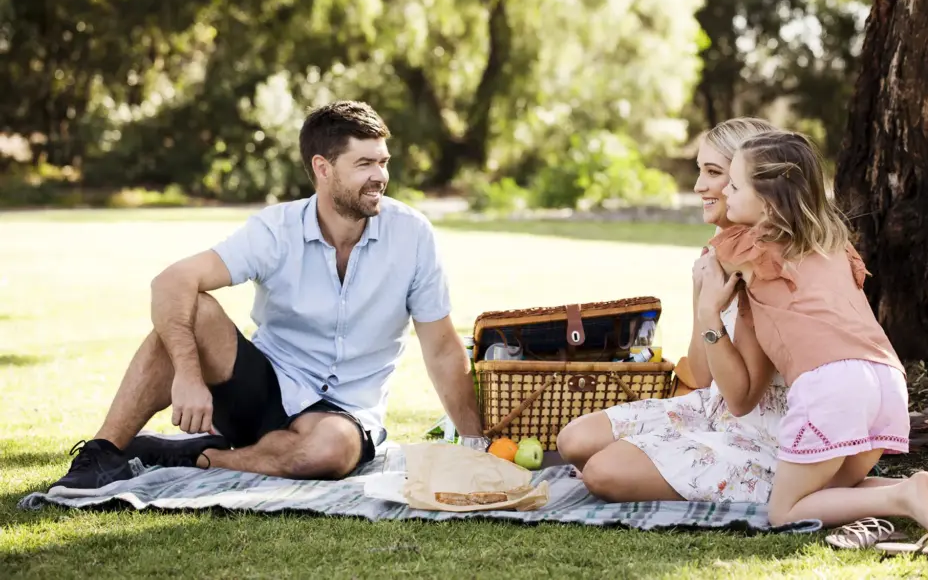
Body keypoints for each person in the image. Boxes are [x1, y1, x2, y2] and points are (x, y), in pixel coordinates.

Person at [50, 100, 489, 491]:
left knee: (329, 453)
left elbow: (442, 349)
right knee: (193, 307)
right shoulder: (275, 230)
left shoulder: (412, 236)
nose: (380, 176)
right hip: (263, 388)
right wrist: (187, 374)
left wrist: (474, 442)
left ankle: (197, 456)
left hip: (342, 415)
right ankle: (105, 452)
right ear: (323, 168)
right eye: (364, 164)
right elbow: (170, 281)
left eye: (383, 162)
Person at [703, 129, 928, 551]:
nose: (724, 192)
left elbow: (710, 270)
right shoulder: (833, 241)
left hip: (830, 384)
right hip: (885, 378)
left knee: (784, 509)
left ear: (767, 201)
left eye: (734, 184)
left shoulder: (740, 245)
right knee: (834, 485)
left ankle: (902, 497)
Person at [556, 117, 789, 503]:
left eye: (713, 173)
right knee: (574, 440)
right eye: (701, 170)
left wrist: (713, 314)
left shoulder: (762, 263)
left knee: (601, 473)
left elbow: (743, 399)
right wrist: (702, 295)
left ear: (749, 183)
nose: (699, 186)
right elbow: (699, 374)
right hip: (712, 406)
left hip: (761, 431)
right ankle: (666, 457)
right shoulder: (715, 253)